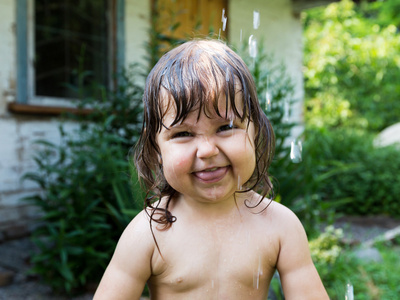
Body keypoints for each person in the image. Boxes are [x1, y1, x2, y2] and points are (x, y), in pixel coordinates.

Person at [93, 39, 329, 300]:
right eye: (183, 133)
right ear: (157, 149)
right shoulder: (148, 233)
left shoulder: (280, 226)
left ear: (255, 130)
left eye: (226, 127)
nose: (207, 150)